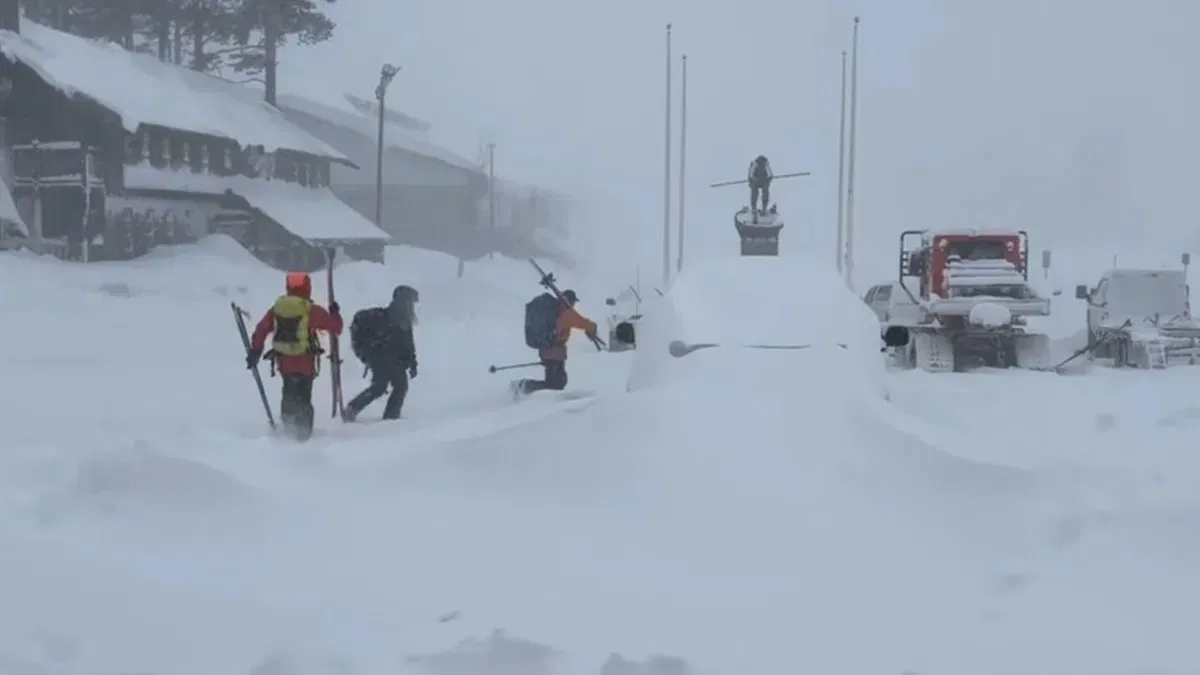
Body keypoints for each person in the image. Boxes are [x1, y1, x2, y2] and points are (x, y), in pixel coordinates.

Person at [246, 271, 343, 439]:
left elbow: (261, 329)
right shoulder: (310, 310)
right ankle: (303, 434)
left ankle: (288, 429)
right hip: (305, 362)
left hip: (284, 362)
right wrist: (334, 313)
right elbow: (336, 327)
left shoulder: (277, 309)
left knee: (288, 393)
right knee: (304, 397)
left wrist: (255, 351)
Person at [344, 285, 419, 421]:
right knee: (391, 385)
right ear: (404, 301)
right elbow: (406, 343)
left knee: (384, 386)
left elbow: (408, 344)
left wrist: (412, 363)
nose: (412, 307)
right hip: (382, 357)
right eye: (410, 302)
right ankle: (390, 416)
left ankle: (354, 409)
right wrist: (411, 363)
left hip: (386, 358)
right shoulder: (392, 318)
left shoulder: (399, 318)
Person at [515, 289, 598, 396]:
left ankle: (527, 388)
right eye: (573, 301)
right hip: (553, 352)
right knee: (553, 385)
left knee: (558, 382)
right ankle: (525, 387)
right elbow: (583, 322)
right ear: (569, 300)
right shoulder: (566, 313)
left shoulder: (557, 310)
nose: (573, 304)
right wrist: (592, 327)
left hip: (548, 350)